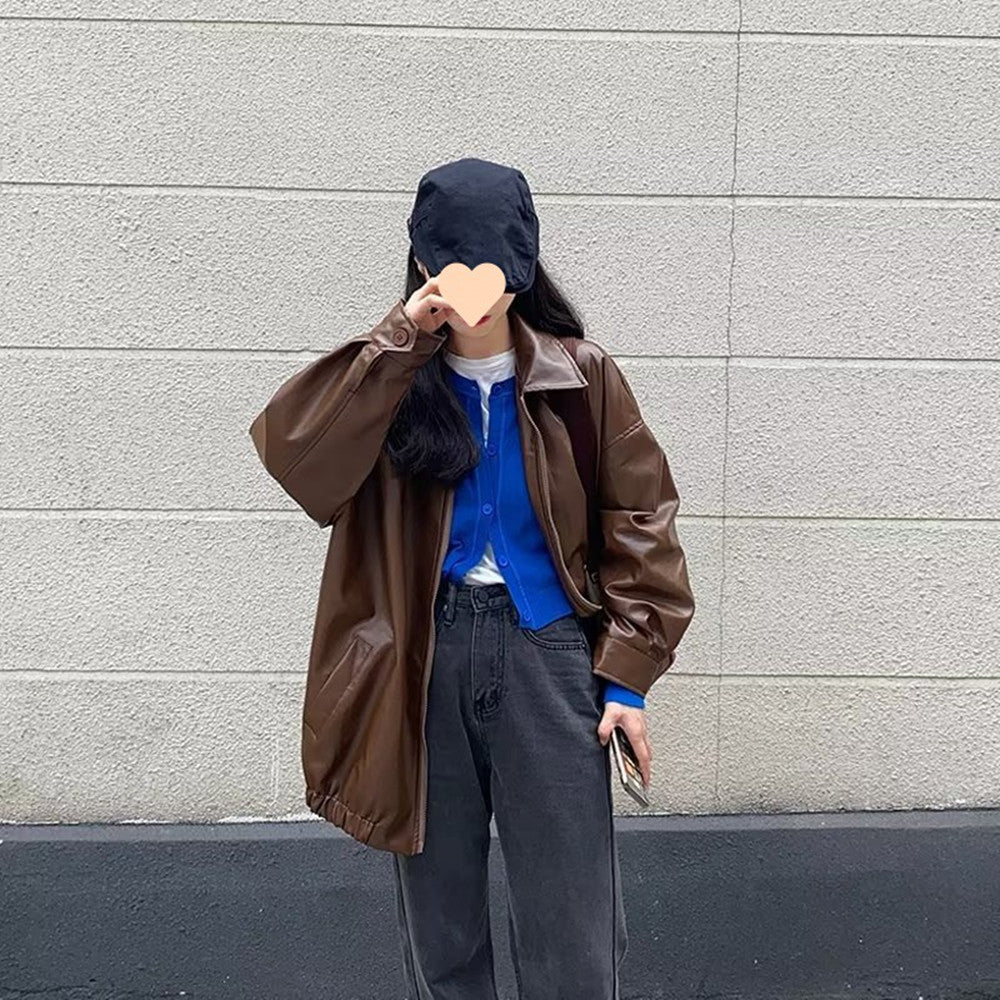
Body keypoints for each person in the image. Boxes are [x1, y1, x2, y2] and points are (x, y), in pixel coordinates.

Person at [248, 157, 695, 999]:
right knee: (441, 930)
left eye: (492, 265)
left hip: (548, 658)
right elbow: (296, 459)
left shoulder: (582, 376)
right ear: (422, 264)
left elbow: (643, 524)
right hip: (425, 657)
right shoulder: (387, 384)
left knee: (573, 930)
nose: (473, 290)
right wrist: (400, 340)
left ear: (522, 266)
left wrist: (628, 678)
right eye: (450, 264)